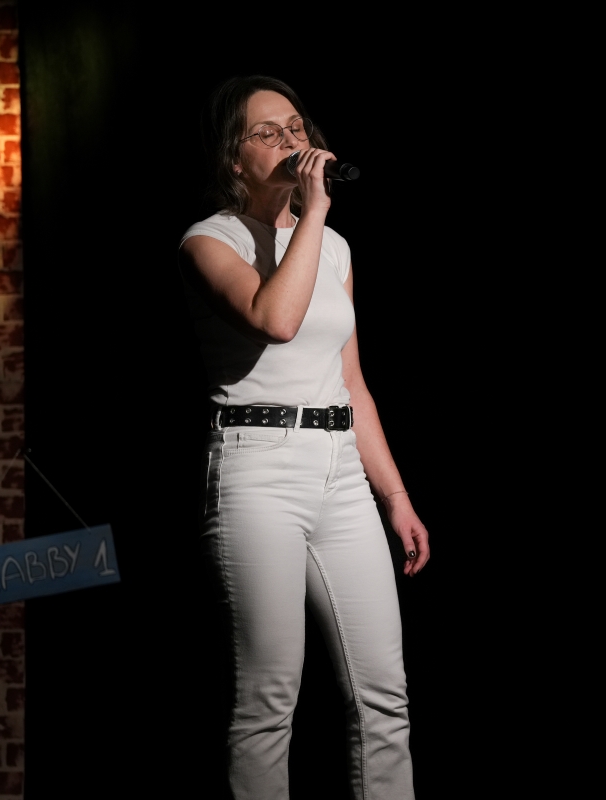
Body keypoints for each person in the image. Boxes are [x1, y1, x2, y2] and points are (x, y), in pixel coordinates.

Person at [178, 75, 426, 800]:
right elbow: (275, 319)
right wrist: (311, 211)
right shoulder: (210, 241)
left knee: (384, 695)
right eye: (268, 133)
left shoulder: (336, 249)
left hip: (341, 470)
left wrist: (396, 496)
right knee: (268, 700)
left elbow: (351, 382)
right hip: (257, 472)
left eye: (297, 127)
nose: (291, 141)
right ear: (235, 158)